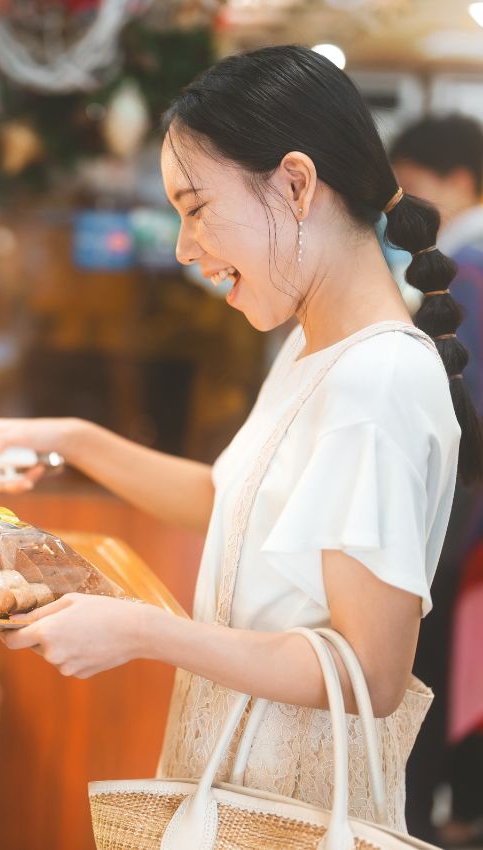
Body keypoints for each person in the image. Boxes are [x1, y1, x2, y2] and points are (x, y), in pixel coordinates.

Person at [0, 45, 481, 832]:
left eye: (196, 207)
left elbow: (370, 673)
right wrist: (73, 438)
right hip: (237, 783)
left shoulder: (377, 378)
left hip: (293, 811)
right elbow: (230, 499)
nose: (184, 247)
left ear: (296, 184)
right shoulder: (313, 346)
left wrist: (145, 633)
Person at [390, 113, 483, 845]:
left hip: (455, 529)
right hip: (462, 530)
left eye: (414, 187)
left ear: (458, 182)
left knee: (422, 698)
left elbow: (454, 417)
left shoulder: (469, 271)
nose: (402, 209)